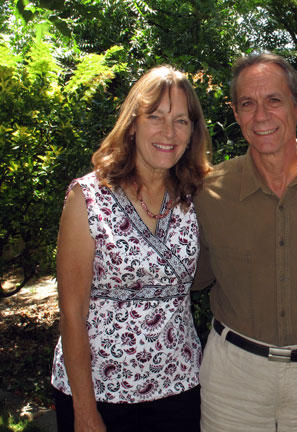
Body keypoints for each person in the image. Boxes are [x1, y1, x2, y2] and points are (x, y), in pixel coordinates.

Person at [193, 52, 297, 431]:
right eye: (248, 104)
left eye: (274, 100)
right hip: (233, 379)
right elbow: (186, 275)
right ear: (235, 113)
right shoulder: (208, 191)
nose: (261, 116)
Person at [50, 65, 211, 432]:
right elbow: (71, 312)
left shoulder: (197, 194)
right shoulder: (88, 197)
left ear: (192, 131)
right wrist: (85, 411)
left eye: (181, 121)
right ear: (133, 122)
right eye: (155, 117)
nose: (168, 132)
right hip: (101, 393)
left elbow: (257, 172)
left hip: (179, 386)